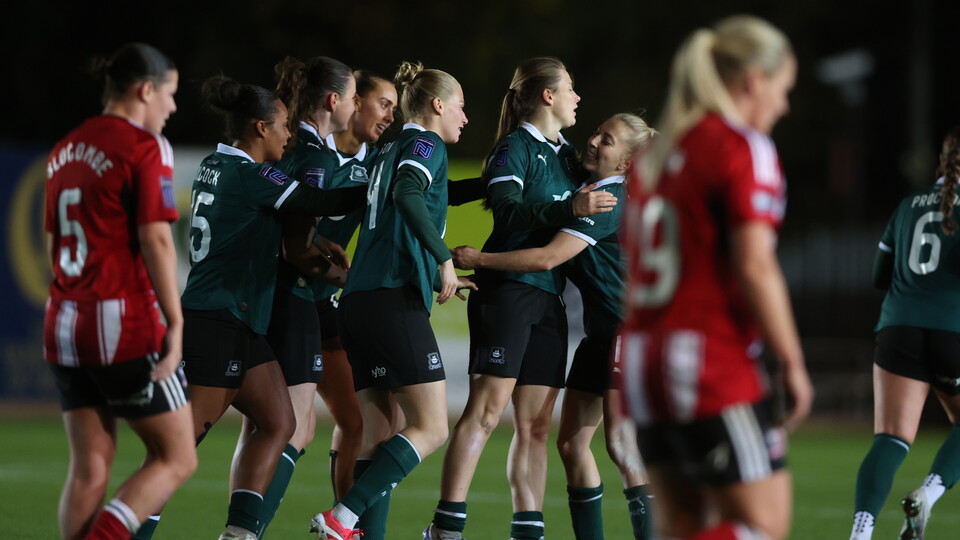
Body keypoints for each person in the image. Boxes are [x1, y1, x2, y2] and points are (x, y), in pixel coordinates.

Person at [136, 75, 364, 540]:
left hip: (240, 323)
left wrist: (317, 239)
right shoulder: (253, 175)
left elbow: (267, 224)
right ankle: (127, 529)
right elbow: (317, 199)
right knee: (175, 452)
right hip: (217, 323)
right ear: (260, 128)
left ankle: (238, 534)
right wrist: (380, 185)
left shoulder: (214, 165)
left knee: (279, 423)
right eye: (282, 126)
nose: (290, 135)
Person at [619, 15, 813, 540]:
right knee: (762, 526)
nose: (784, 104)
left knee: (682, 525)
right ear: (753, 80)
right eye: (783, 88)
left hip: (642, 360)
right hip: (707, 361)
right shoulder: (741, 146)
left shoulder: (653, 157)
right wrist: (792, 361)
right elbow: (754, 264)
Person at [425, 57, 618, 540]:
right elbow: (508, 213)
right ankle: (446, 528)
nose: (578, 97)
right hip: (508, 292)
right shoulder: (514, 149)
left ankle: (527, 531)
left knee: (535, 427)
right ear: (548, 96)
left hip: (548, 297)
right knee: (487, 413)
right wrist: (567, 206)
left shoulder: (567, 155)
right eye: (570, 88)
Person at [451, 113, 657, 539]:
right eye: (598, 131)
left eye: (608, 140)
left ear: (625, 165)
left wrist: (480, 261)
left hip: (630, 333)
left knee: (620, 445)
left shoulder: (606, 201)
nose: (595, 140)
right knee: (570, 444)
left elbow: (547, 258)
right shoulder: (584, 188)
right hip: (602, 336)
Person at [308, 61, 473, 540]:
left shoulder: (386, 148)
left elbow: (415, 192)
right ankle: (344, 517)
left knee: (379, 433)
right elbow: (408, 193)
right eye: (461, 106)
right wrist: (442, 259)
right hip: (391, 297)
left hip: (357, 301)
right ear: (438, 105)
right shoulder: (426, 142)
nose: (465, 117)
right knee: (432, 426)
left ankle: (357, 529)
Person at [43, 42, 197, 540]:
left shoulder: (65, 147)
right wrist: (175, 324)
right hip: (120, 323)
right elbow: (155, 237)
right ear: (145, 89)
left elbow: (53, 241)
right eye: (170, 94)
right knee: (176, 458)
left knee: (90, 467)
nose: (172, 107)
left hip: (64, 321)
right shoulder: (144, 145)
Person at [225, 55, 357, 539]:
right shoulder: (315, 154)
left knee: (265, 426)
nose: (362, 105)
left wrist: (317, 244)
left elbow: (290, 229)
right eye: (357, 94)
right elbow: (294, 245)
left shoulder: (296, 145)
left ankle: (240, 529)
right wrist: (350, 277)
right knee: (294, 429)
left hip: (265, 297)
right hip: (293, 297)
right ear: (334, 100)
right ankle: (244, 531)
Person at [849, 125, 960, 540]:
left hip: (897, 328)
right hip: (951, 330)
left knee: (891, 438)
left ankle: (860, 533)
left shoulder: (908, 204)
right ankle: (927, 496)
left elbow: (880, 274)